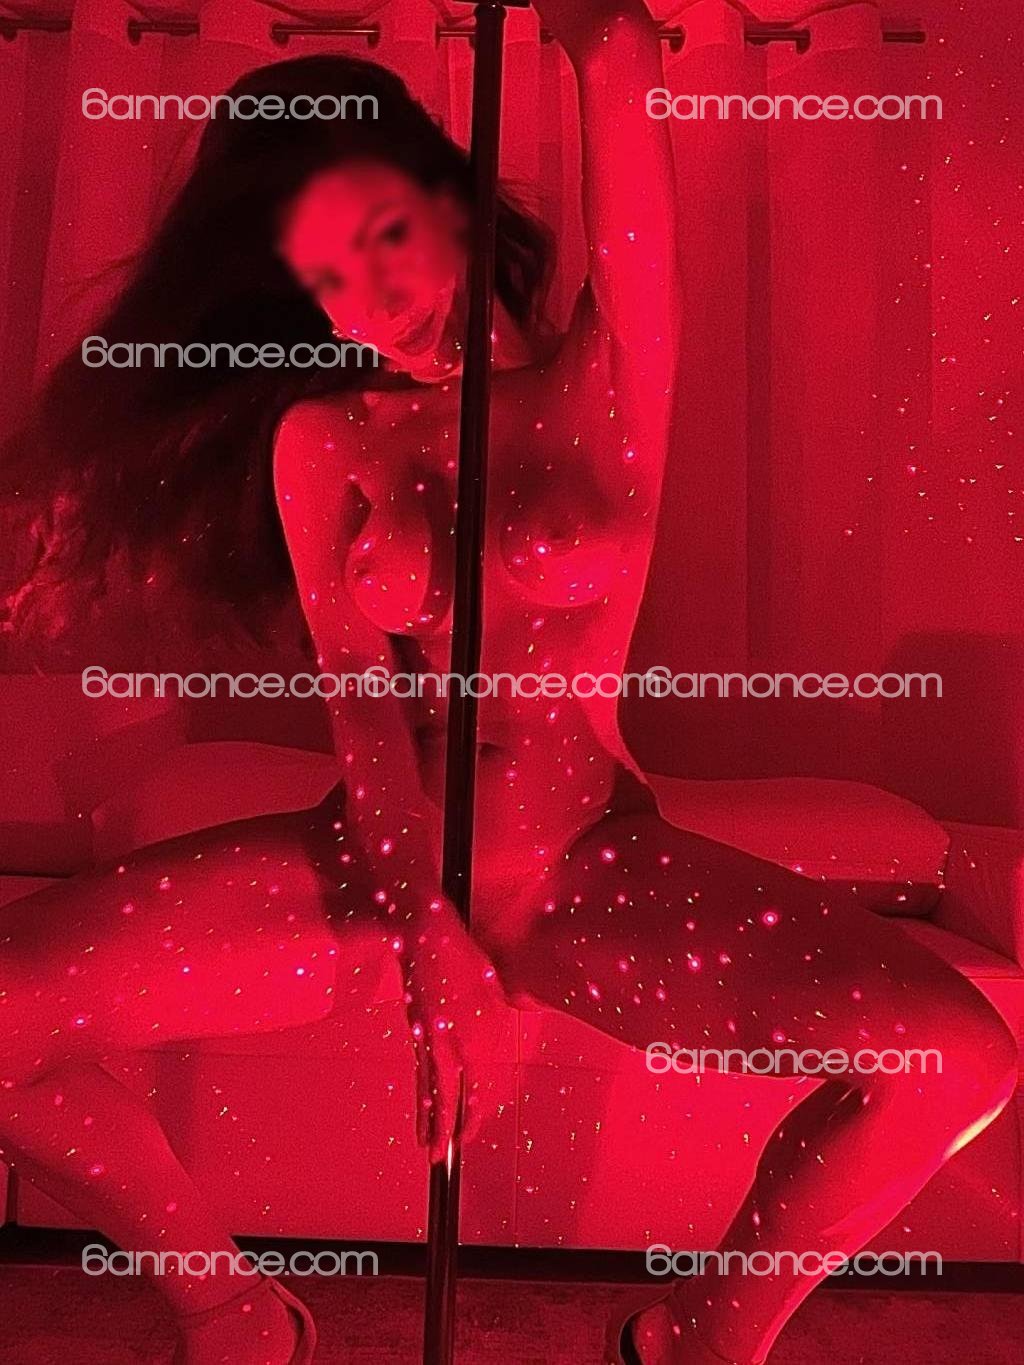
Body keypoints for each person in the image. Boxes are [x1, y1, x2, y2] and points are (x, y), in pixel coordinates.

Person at [0, 5, 1016, 1363]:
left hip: (580, 865)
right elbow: (363, 722)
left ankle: (698, 1338)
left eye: (385, 237)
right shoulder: (327, 437)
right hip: (369, 867)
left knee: (957, 1055)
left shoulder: (612, 374)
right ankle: (232, 1309)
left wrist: (582, 25)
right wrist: (423, 927)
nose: (373, 300)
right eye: (324, 279)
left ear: (454, 202)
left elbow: (616, 54)